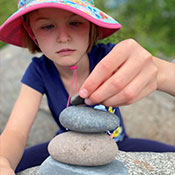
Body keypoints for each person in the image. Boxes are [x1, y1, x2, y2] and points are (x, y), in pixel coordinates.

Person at [0, 0, 174, 174]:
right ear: (31, 32)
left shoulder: (111, 57)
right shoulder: (39, 70)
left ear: (91, 26)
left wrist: (161, 73)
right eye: (47, 26)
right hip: (65, 146)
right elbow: (16, 132)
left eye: (75, 23)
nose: (63, 37)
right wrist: (3, 162)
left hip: (116, 143)